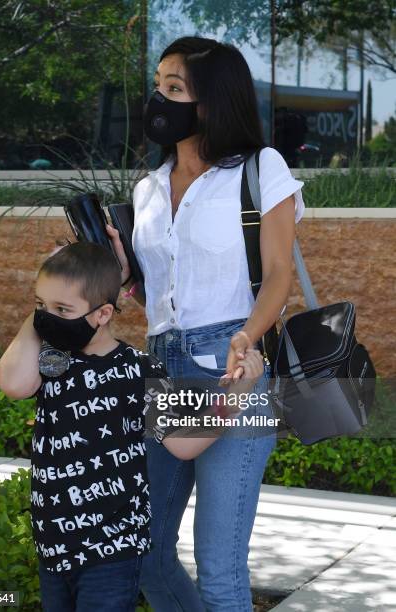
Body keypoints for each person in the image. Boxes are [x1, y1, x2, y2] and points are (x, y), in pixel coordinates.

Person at [105, 36, 306, 611]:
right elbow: (159, 297)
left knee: (219, 566)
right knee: (146, 552)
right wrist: (126, 278)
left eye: (175, 89)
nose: (158, 100)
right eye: (158, 85)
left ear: (210, 103)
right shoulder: (147, 189)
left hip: (233, 365)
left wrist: (247, 336)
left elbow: (275, 275)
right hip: (163, 366)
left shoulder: (260, 169)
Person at [0, 241, 263, 612]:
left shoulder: (140, 370)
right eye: (41, 304)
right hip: (54, 542)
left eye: (63, 309)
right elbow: (12, 383)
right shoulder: (52, 360)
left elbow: (181, 445)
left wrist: (236, 398)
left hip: (113, 549)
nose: (48, 317)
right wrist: (41, 315)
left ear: (103, 313)